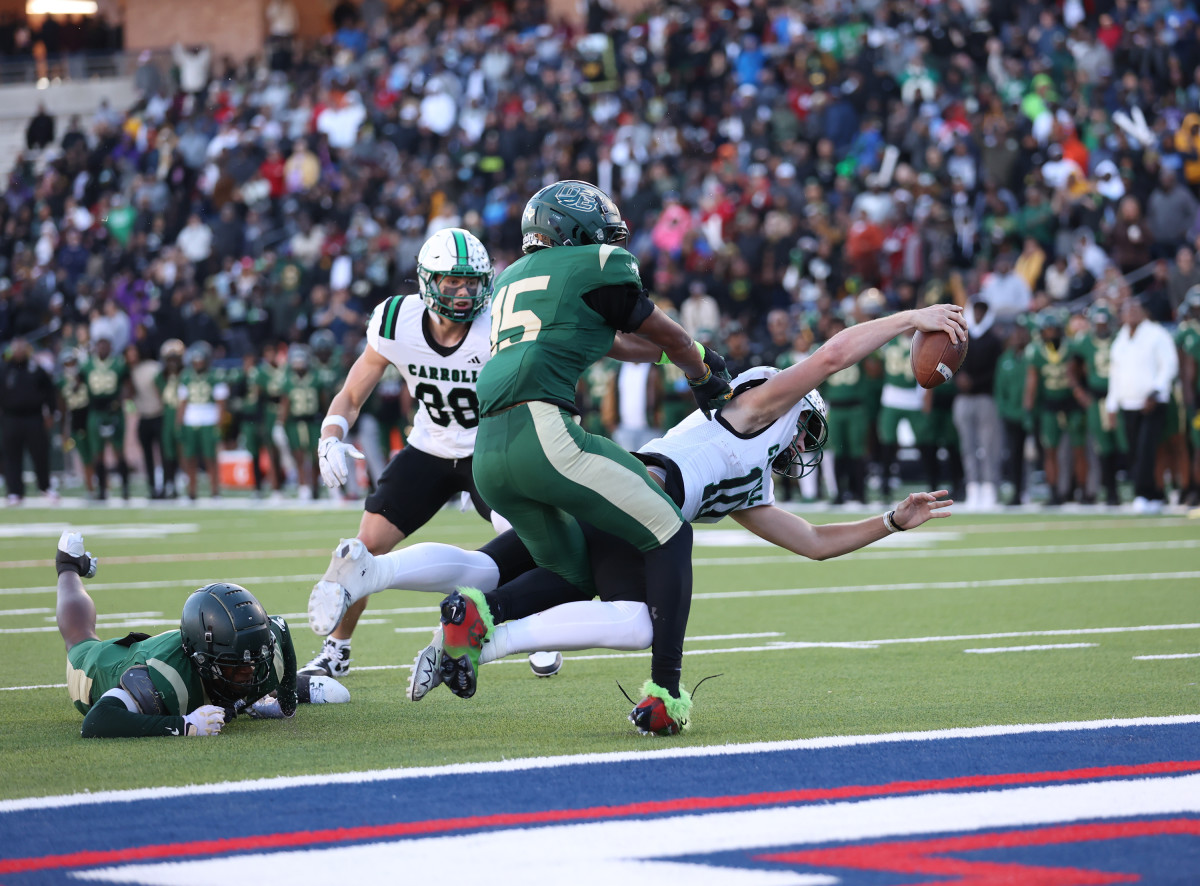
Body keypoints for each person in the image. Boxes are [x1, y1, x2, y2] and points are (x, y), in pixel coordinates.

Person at [310, 303, 966, 734]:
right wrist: (912, 317)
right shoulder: (750, 411)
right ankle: (489, 637)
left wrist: (889, 522)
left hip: (610, 497)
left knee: (500, 567)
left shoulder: (746, 485)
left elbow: (815, 543)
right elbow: (828, 358)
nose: (801, 447)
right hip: (634, 500)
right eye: (805, 432)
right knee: (634, 622)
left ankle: (387, 577)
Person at [468, 180, 734, 728]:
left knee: (571, 568)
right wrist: (702, 369)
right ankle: (666, 691)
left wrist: (671, 359)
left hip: (489, 452)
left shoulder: (512, 281)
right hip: (545, 432)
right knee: (670, 530)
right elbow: (671, 335)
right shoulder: (598, 265)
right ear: (569, 229)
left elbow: (614, 341)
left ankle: (477, 612)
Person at [305, 228, 560, 678]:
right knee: (359, 552)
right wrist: (330, 434)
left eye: (472, 283)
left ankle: (536, 629)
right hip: (429, 446)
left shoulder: (501, 325)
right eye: (452, 283)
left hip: (492, 450)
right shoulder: (396, 320)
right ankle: (336, 648)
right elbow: (352, 392)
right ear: (427, 282)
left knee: (533, 545)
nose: (463, 294)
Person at [54, 531, 347, 739]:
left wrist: (287, 702)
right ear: (202, 660)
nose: (250, 671)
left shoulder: (263, 641)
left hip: (174, 653)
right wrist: (183, 725)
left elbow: (281, 629)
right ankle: (68, 564)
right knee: (80, 638)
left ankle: (260, 698)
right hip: (98, 668)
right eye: (238, 666)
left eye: (255, 662)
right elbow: (97, 722)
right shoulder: (161, 679)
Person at [1107, 296, 1179, 512]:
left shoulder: (1156, 335)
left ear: (1143, 313)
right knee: (1133, 451)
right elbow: (1115, 374)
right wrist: (1111, 404)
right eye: (1127, 311)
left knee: (1147, 449)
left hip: (1151, 402)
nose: (1131, 315)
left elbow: (1169, 365)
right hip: (1128, 403)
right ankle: (1154, 494)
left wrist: (1156, 391)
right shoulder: (1120, 339)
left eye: (1134, 311)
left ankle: (1144, 493)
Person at [0, 339, 55, 504]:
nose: (19, 352)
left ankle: (45, 487)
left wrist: (51, 413)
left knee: (40, 454)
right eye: (16, 349)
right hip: (11, 417)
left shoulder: (36, 369)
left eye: (22, 349)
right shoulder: (4, 369)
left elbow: (49, 392)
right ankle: (15, 491)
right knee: (11, 456)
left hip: (34, 417)